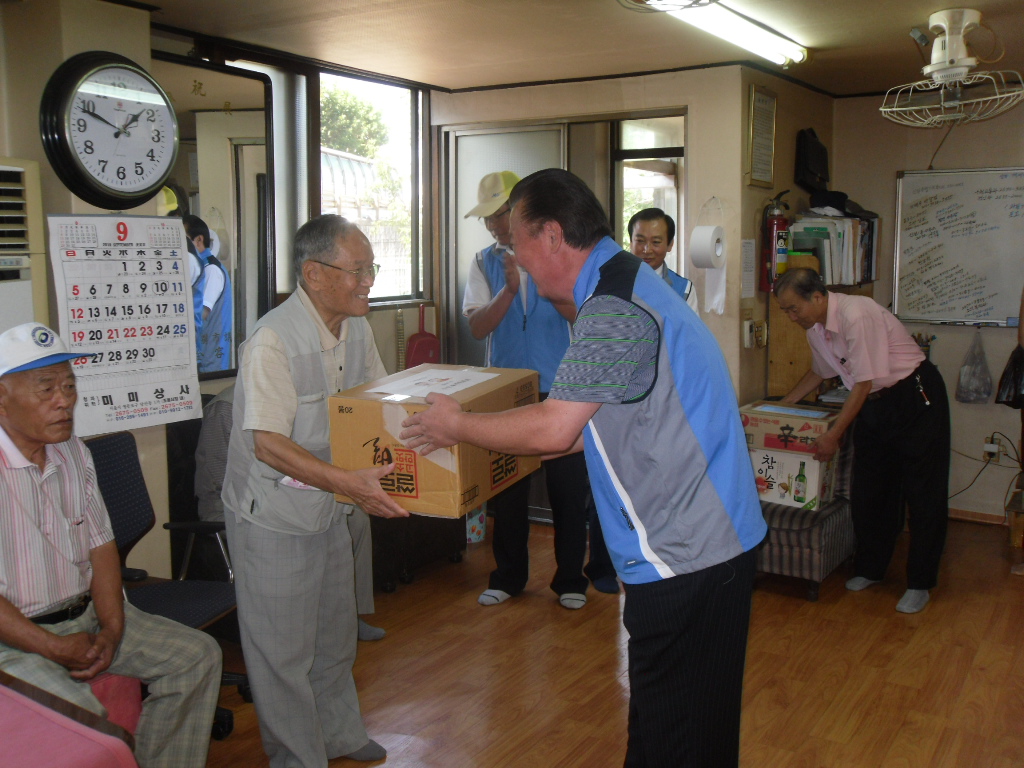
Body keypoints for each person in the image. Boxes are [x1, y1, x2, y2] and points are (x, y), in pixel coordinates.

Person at [404, 169, 766, 767]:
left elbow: (555, 427)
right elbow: (578, 433)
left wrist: (457, 426)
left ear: (550, 236)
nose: (511, 257)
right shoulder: (622, 285)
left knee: (683, 740)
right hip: (702, 549)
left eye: (515, 242)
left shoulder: (615, 308)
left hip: (691, 559)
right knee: (662, 730)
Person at [221, 215, 408, 768]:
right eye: (359, 270)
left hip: (333, 504)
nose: (368, 281)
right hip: (275, 516)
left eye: (371, 268)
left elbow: (380, 402)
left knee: (333, 636)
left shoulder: (357, 327)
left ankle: (340, 734)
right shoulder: (272, 341)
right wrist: (349, 483)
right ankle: (298, 758)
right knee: (282, 654)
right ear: (315, 274)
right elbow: (268, 445)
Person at [0, 322, 222, 768]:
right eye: (46, 389)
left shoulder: (73, 453)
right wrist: (53, 646)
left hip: (82, 615)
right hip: (14, 640)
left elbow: (102, 547)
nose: (64, 401)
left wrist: (112, 629)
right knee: (90, 728)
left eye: (68, 385)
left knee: (197, 657)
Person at [462, 170, 616, 609]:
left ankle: (570, 580)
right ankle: (508, 577)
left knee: (568, 492)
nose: (494, 224)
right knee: (506, 492)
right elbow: (476, 327)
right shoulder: (483, 261)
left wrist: (546, 288)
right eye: (487, 218)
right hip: (504, 391)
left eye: (499, 214)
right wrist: (509, 291)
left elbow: (586, 322)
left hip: (561, 388)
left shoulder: (561, 259)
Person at [774, 267, 951, 614]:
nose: (792, 316)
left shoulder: (858, 314)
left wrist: (833, 436)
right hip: (874, 405)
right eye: (785, 311)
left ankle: (919, 582)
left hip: (914, 398)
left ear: (818, 297)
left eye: (794, 308)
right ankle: (871, 569)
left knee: (922, 492)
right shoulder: (816, 328)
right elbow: (820, 373)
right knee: (870, 490)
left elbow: (863, 382)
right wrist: (780, 407)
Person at [195, 384, 386, 641]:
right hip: (235, 505)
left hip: (285, 489)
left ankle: (349, 614)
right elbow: (224, 481)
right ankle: (303, 624)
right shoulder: (225, 408)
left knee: (354, 517)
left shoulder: (285, 395)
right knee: (306, 523)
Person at [183, 214, 233, 373]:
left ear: (198, 240)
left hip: (209, 359)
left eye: (184, 239)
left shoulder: (211, 270)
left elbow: (202, 313)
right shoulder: (199, 267)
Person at [627, 207, 698, 312]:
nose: (647, 250)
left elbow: (691, 328)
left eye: (656, 242)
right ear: (631, 243)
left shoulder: (684, 289)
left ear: (670, 245)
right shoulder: (610, 282)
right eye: (640, 241)